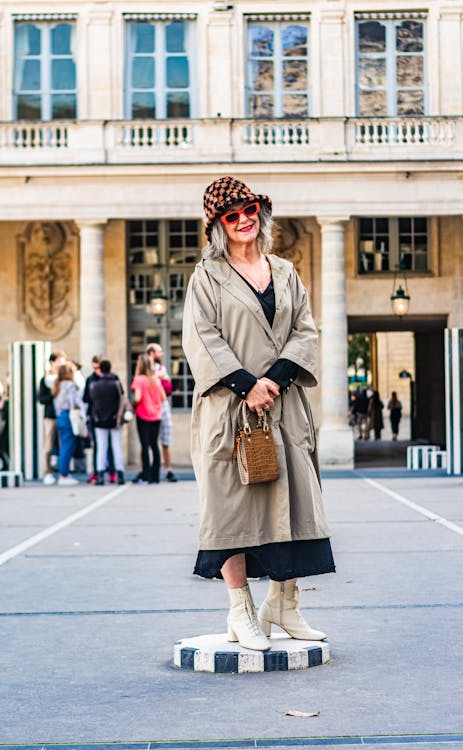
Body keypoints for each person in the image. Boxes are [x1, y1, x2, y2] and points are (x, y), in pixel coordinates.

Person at [182, 175, 334, 652]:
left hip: (284, 406)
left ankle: (284, 605)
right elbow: (202, 338)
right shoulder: (207, 277)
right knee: (229, 509)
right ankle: (240, 610)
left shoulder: (285, 271)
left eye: (249, 210)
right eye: (232, 215)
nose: (244, 219)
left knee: (293, 501)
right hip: (229, 410)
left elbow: (306, 330)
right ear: (218, 227)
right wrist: (248, 385)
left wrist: (277, 378)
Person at [88, 359, 125, 486]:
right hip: (115, 420)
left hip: (99, 420)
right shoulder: (116, 383)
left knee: (101, 448)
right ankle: (120, 474)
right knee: (117, 447)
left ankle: (100, 475)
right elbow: (121, 399)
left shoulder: (94, 385)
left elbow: (91, 402)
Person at [83, 355, 118, 483]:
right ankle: (98, 472)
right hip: (96, 416)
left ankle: (112, 472)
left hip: (111, 415)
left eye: (99, 368)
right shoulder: (91, 380)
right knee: (97, 446)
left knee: (111, 446)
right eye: (95, 368)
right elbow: (86, 398)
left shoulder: (114, 379)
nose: (97, 371)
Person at [131, 353, 165, 484]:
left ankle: (146, 475)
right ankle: (155, 476)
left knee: (145, 446)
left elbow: (138, 398)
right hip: (156, 416)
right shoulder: (156, 380)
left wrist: (133, 403)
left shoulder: (138, 379)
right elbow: (163, 397)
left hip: (143, 415)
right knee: (154, 445)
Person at [146, 344, 177, 482]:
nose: (162, 354)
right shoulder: (144, 367)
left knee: (165, 439)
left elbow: (167, 382)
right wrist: (158, 377)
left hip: (162, 405)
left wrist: (158, 377)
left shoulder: (161, 368)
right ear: (152, 353)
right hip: (149, 406)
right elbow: (145, 382)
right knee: (147, 441)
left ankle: (168, 469)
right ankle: (146, 470)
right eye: (159, 351)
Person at [52, 362, 82, 486]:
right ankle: (63, 474)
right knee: (68, 445)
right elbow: (73, 402)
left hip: (60, 416)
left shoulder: (57, 385)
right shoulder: (70, 385)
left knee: (64, 444)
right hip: (69, 416)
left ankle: (64, 473)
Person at [39, 352, 65, 484]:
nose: (62, 364)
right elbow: (41, 399)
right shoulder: (45, 380)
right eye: (60, 361)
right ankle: (47, 472)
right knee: (48, 445)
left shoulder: (64, 378)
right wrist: (53, 395)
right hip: (50, 416)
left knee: (63, 445)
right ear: (52, 362)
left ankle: (63, 472)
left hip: (63, 415)